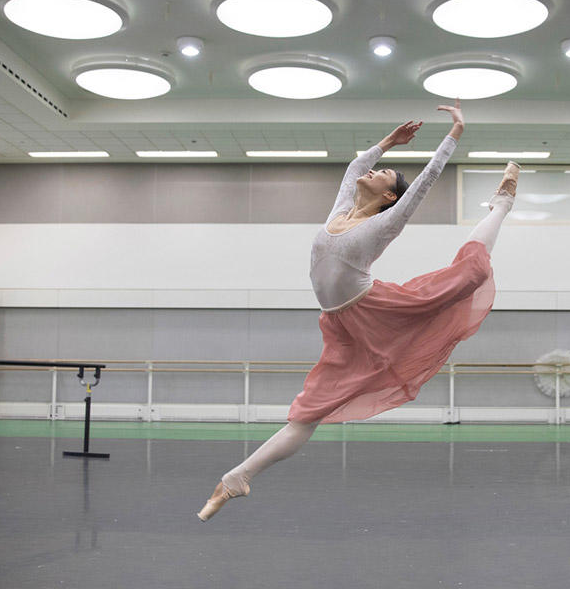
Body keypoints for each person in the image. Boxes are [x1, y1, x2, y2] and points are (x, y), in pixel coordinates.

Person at [198, 98, 520, 521]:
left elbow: (424, 181)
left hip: (377, 309)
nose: (371, 172)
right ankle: (238, 477)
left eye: (383, 174)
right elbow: (353, 169)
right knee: (307, 411)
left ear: (389, 195)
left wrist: (455, 132)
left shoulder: (384, 223)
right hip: (341, 325)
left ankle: (501, 204)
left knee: (468, 274)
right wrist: (389, 142)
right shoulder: (341, 211)